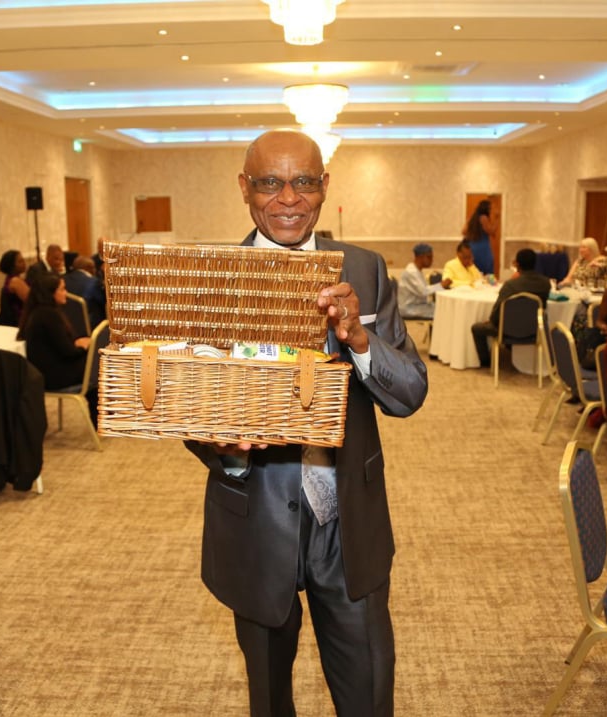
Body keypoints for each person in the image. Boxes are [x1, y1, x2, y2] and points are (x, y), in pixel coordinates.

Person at [185, 129, 428, 717]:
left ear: (325, 187)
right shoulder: (213, 277)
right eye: (270, 182)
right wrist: (225, 447)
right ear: (245, 187)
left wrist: (360, 339)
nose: (288, 198)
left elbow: (410, 393)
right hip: (254, 518)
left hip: (349, 522)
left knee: (369, 695)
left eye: (304, 182)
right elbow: (187, 402)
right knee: (269, 700)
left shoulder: (365, 269)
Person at [18, 274, 97, 423]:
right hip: (55, 377)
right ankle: (101, 419)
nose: (66, 293)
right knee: (98, 364)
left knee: (96, 366)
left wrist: (79, 344)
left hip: (47, 372)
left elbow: (61, 346)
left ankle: (101, 419)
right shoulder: (49, 315)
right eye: (62, 289)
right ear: (50, 293)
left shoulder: (38, 312)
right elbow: (68, 352)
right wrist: (84, 347)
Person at [470, 248, 551, 369]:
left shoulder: (511, 285)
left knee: (477, 328)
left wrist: (491, 321)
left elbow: (498, 310)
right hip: (534, 329)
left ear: (517, 264)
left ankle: (485, 363)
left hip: (507, 330)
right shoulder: (545, 283)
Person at [398, 243, 450, 319]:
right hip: (409, 308)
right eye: (429, 257)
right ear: (420, 257)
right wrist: (441, 285)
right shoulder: (411, 272)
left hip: (418, 305)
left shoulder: (417, 271)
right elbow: (423, 291)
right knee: (442, 312)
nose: (432, 260)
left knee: (443, 308)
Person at [63, 255, 107, 328]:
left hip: (68, 322)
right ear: (90, 268)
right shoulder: (94, 282)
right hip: (89, 325)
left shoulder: (64, 279)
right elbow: (104, 302)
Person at [0, 249, 30, 327]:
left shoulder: (15, 279)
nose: (24, 263)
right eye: (20, 261)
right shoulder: (15, 281)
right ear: (12, 266)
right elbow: (31, 299)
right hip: (16, 321)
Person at [463, 200, 496, 275]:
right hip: (482, 248)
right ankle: (490, 282)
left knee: (473, 272)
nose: (492, 210)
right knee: (487, 272)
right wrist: (497, 219)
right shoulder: (483, 218)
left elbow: (464, 232)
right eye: (491, 208)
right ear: (486, 209)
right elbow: (491, 232)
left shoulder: (471, 218)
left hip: (472, 247)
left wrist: (474, 232)